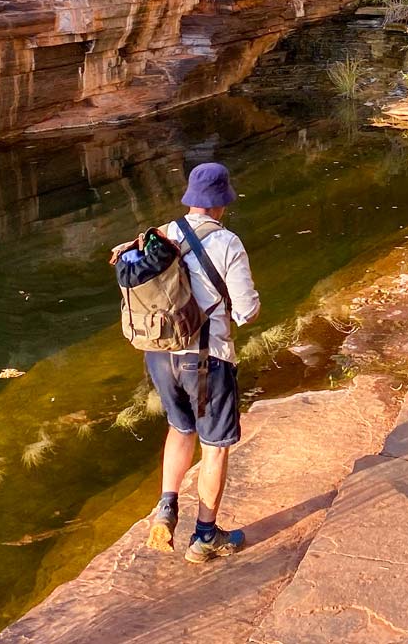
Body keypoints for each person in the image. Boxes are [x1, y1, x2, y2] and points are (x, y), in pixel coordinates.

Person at [119, 161, 260, 563]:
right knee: (214, 447)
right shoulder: (228, 243)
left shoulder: (163, 233)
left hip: (159, 357)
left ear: (192, 200)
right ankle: (205, 536)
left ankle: (166, 506)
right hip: (207, 360)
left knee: (180, 428)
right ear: (220, 204)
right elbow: (245, 312)